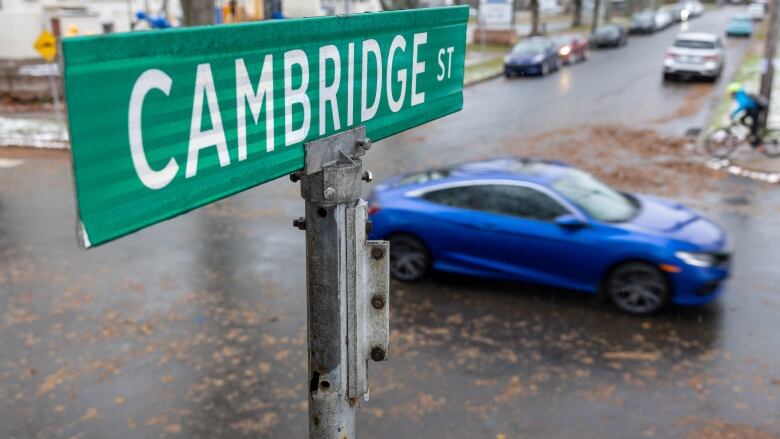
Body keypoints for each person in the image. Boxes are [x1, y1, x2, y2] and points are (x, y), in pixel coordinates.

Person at [727, 82, 765, 150]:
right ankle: (751, 132)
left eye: (731, 92)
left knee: (754, 128)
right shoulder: (741, 93)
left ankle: (758, 144)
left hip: (754, 111)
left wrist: (733, 113)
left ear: (733, 91)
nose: (730, 94)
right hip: (750, 110)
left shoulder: (740, 95)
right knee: (742, 120)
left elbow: (743, 104)